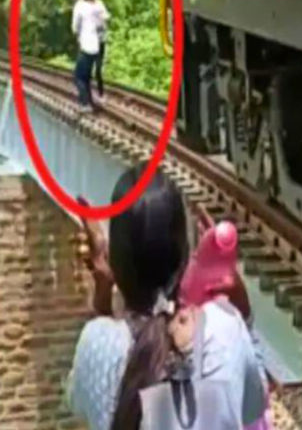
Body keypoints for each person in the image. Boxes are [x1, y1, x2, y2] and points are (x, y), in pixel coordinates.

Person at [66, 165, 268, 430]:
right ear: (184, 256)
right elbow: (256, 401)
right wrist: (242, 311)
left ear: (116, 260)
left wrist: (103, 295)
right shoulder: (225, 329)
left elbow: (78, 400)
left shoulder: (96, 343)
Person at [71, 0, 101, 113]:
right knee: (87, 77)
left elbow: (75, 25)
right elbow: (102, 24)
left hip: (86, 46)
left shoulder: (80, 6)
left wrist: (77, 34)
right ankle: (89, 102)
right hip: (96, 46)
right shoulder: (97, 6)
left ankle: (84, 104)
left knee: (78, 77)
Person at [88, 0, 110, 101]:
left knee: (98, 69)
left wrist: (101, 20)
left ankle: (100, 94)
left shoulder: (99, 4)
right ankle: (88, 93)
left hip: (100, 41)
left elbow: (106, 17)